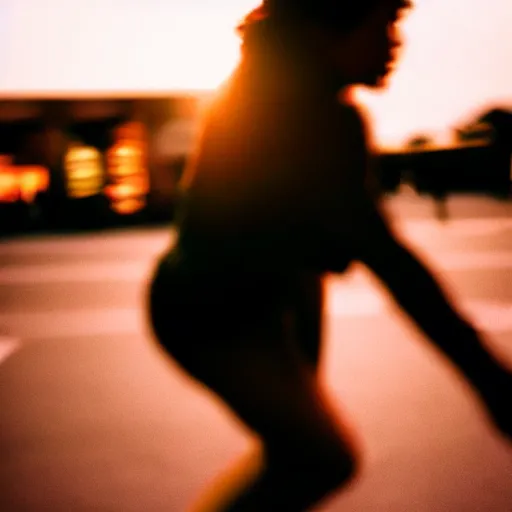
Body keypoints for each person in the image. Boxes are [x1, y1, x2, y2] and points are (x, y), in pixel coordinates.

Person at [148, 1, 512, 510]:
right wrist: (489, 379)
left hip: (270, 295)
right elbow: (389, 260)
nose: (396, 44)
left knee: (300, 459)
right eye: (384, 24)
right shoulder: (305, 115)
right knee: (322, 458)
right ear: (326, 26)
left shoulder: (274, 93)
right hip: (213, 311)